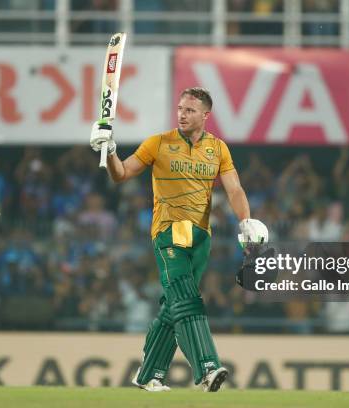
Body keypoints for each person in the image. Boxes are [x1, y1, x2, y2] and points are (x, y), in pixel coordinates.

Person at [90, 87, 267, 392]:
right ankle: (208, 367)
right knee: (187, 300)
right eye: (180, 109)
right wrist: (111, 149)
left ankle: (147, 375)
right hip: (169, 231)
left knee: (175, 305)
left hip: (200, 237)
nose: (182, 114)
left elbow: (235, 190)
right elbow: (121, 174)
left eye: (190, 110)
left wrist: (245, 220)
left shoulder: (219, 149)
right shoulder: (158, 143)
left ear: (205, 115)